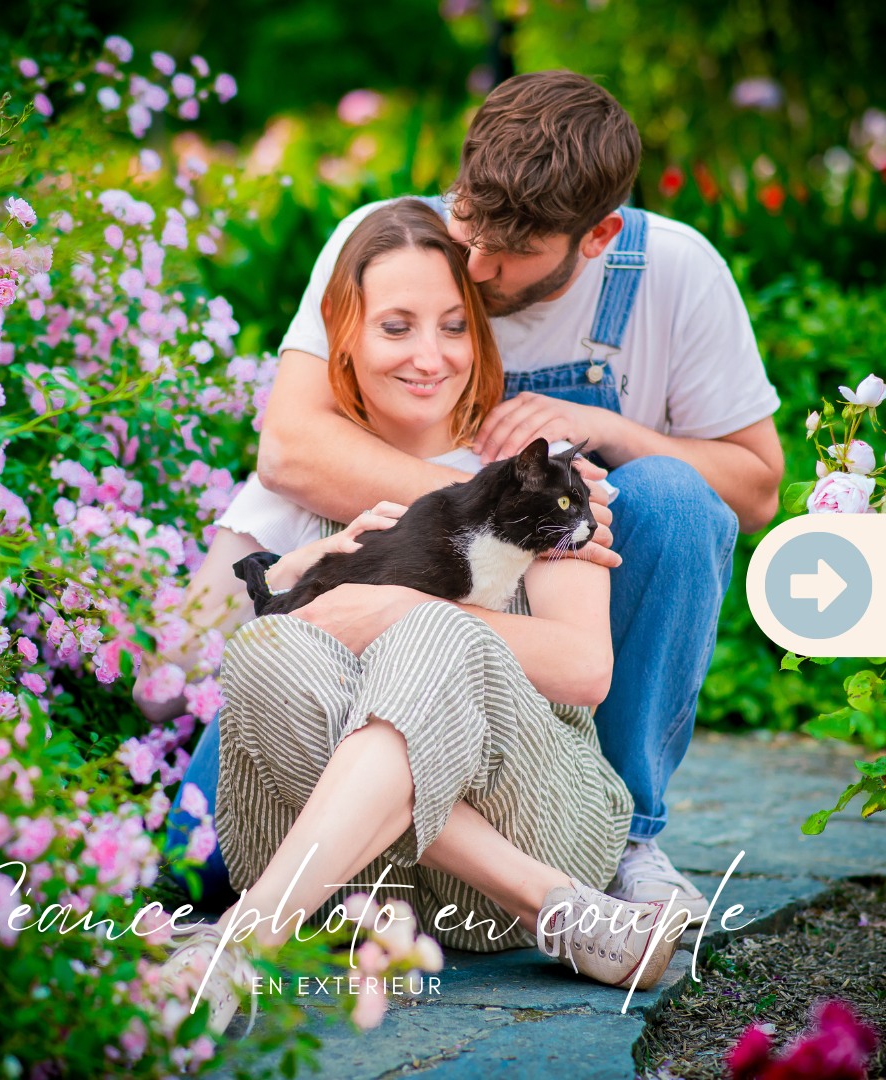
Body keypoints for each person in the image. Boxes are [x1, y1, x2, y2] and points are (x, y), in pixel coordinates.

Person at [252, 71, 785, 923]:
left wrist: (603, 429)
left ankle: (629, 838)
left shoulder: (676, 272)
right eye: (468, 219)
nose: (474, 265)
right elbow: (289, 444)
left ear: (599, 234)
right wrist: (487, 506)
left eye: (513, 251)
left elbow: (756, 486)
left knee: (673, 496)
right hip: (419, 584)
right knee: (203, 851)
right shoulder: (392, 241)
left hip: (575, 612)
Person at [159, 199, 685, 1034]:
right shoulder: (300, 480)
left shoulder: (539, 479)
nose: (429, 356)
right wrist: (290, 579)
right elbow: (176, 663)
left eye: (452, 326)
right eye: (396, 327)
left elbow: (586, 671)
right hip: (365, 885)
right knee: (269, 646)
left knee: (430, 628)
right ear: (345, 340)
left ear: (480, 337)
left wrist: (402, 605)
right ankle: (556, 909)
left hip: (533, 806)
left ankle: (241, 945)